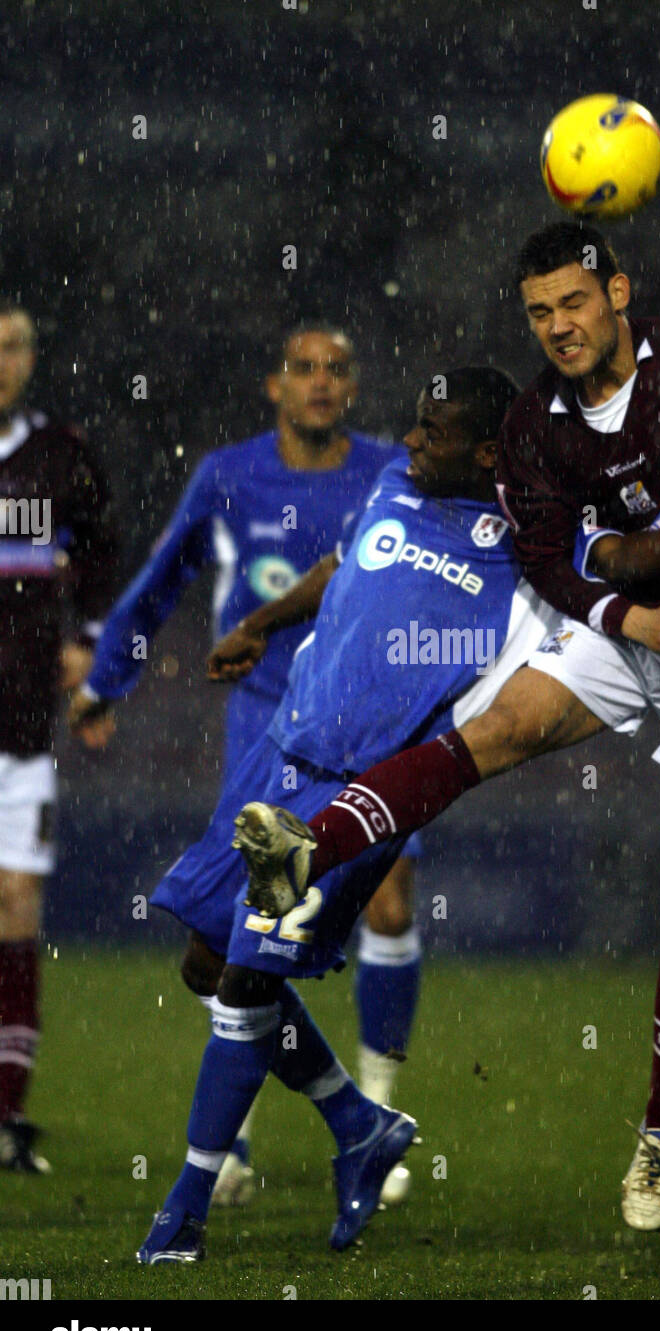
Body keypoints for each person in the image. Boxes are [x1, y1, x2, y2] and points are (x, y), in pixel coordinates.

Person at [231, 221, 660, 1235]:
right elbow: (553, 561)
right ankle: (315, 847)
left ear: (619, 291)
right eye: (538, 313)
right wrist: (640, 603)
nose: (558, 327)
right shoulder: (537, 425)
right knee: (500, 725)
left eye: (574, 302)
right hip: (631, 627)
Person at [136, 365, 660, 1263]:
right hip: (279, 752)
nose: (410, 441)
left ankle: (182, 1212)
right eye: (414, 425)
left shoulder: (529, 540)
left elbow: (618, 570)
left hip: (356, 790)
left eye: (432, 432)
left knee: (249, 979)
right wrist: (263, 621)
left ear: (487, 452)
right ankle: (357, 1123)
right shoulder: (392, 484)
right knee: (206, 960)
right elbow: (343, 561)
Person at [68, 325, 422, 1205]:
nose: (320, 384)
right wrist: (109, 678)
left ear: (351, 386)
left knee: (388, 897)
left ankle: (379, 1110)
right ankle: (244, 1137)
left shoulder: (389, 472)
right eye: (304, 369)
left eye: (337, 369)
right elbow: (160, 581)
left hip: (367, 715)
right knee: (238, 931)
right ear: (274, 385)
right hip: (269, 720)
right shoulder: (228, 474)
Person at [0, 300, 117, 1173]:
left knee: (15, 905)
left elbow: (103, 555)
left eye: (11, 347)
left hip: (20, 727)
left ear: (31, 359)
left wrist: (88, 639)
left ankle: (6, 1117)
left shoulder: (59, 459)